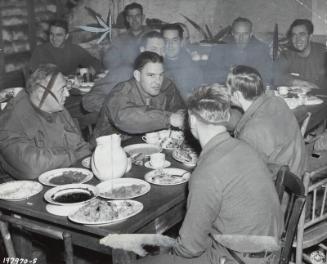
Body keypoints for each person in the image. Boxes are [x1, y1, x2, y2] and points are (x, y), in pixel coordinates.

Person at [136, 84, 283, 264]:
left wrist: (168, 250)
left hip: (239, 259)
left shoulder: (206, 173)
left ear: (191, 121)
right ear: (226, 116)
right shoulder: (245, 147)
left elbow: (189, 249)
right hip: (272, 252)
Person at [0, 64, 91, 180]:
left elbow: (81, 148)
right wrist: (72, 155)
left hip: (59, 176)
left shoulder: (58, 110)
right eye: (62, 89)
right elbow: (31, 168)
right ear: (41, 93)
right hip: (21, 188)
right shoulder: (10, 120)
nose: (67, 94)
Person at [227, 65, 307, 177]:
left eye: (227, 89)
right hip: (297, 170)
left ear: (237, 95)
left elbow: (249, 176)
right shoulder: (277, 101)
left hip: (282, 187)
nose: (226, 93)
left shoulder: (250, 132)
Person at [93, 51, 185, 139]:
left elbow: (179, 108)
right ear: (137, 75)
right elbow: (124, 117)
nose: (158, 81)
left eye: (160, 75)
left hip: (145, 144)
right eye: (151, 75)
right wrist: (168, 118)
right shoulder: (121, 91)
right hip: (109, 147)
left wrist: (180, 113)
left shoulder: (165, 87)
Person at [82, 31, 165, 113]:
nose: (160, 54)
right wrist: (123, 108)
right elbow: (90, 100)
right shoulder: (126, 73)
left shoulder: (166, 76)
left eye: (163, 50)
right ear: (142, 50)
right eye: (154, 49)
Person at [205, 17, 274, 85]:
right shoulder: (220, 47)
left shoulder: (261, 49)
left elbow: (267, 77)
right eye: (237, 34)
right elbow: (210, 72)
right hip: (226, 87)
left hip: (252, 88)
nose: (241, 38)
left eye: (245, 34)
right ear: (232, 33)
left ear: (251, 34)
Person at [29, 19, 102, 76]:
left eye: (59, 35)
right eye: (51, 34)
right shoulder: (40, 50)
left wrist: (92, 70)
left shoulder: (74, 49)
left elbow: (95, 62)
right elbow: (35, 76)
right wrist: (78, 72)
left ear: (66, 36)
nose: (54, 38)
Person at [277, 19, 327, 88]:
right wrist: (298, 82)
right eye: (294, 35)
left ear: (310, 37)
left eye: (302, 34)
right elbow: (277, 76)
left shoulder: (322, 53)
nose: (298, 39)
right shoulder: (287, 54)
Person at [161, 23, 203, 98]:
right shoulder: (156, 64)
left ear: (181, 42)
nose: (170, 45)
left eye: (174, 40)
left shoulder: (192, 66)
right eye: (166, 40)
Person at [103, 2, 149, 70]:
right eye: (131, 17)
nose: (134, 20)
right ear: (127, 19)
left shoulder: (152, 35)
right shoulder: (120, 39)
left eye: (137, 16)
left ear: (143, 17)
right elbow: (108, 60)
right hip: (126, 73)